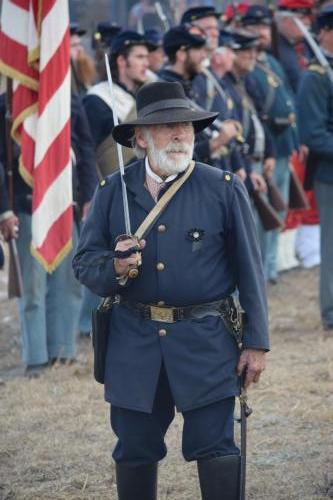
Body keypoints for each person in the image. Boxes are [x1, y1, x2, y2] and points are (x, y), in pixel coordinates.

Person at [73, 81, 269, 500]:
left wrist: (257, 343)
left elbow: (251, 271)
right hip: (133, 343)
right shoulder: (113, 191)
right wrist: (116, 266)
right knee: (134, 449)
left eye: (187, 125)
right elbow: (85, 263)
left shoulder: (223, 187)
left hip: (206, 341)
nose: (182, 134)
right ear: (141, 138)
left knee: (215, 446)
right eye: (168, 126)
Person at [0, 93, 98, 375]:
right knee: (32, 286)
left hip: (66, 199)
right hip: (25, 202)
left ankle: (63, 351)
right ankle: (36, 358)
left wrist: (90, 193)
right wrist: (4, 209)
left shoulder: (67, 96)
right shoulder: (9, 98)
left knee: (68, 281)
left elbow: (84, 146)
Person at [241, 5, 298, 283]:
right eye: (256, 28)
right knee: (263, 214)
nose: (262, 33)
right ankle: (262, 269)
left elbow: (287, 96)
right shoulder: (249, 69)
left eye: (264, 28)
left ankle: (271, 267)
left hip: (283, 144)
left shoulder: (272, 62)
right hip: (266, 146)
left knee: (279, 208)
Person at [297, 6, 333, 333]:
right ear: (325, 32)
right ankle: (331, 313)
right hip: (329, 174)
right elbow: (313, 133)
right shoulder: (315, 77)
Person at [159, 24, 241, 165]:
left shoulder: (188, 85)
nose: (204, 55)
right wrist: (216, 142)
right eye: (197, 49)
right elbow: (177, 150)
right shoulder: (165, 91)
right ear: (181, 55)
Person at [84, 30, 151, 177]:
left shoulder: (142, 95)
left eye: (147, 57)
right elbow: (87, 152)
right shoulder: (97, 99)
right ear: (121, 60)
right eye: (140, 57)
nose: (146, 63)